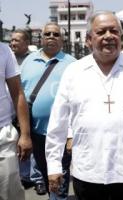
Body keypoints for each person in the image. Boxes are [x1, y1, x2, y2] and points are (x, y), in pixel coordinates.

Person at [45, 11, 123, 200]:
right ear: (89, 39)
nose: (109, 36)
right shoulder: (74, 72)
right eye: (101, 32)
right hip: (88, 172)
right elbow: (58, 122)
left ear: (121, 36)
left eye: (114, 31)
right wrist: (54, 166)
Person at [21, 22, 76, 200]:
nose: (51, 37)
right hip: (36, 133)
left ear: (62, 39)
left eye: (56, 34)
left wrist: (71, 134)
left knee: (59, 178)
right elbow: (19, 95)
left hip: (62, 135)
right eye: (48, 34)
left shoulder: (73, 64)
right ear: (41, 38)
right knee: (46, 175)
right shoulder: (28, 61)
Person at [10, 28, 47, 195]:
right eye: (12, 40)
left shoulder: (33, 60)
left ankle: (37, 179)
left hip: (29, 106)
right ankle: (24, 176)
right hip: (12, 109)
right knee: (18, 142)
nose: (13, 43)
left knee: (31, 141)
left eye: (17, 40)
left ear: (27, 43)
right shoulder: (8, 58)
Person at [0, 42, 32, 200]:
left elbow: (17, 93)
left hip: (2, 137)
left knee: (9, 193)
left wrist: (25, 135)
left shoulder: (4, 50)